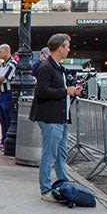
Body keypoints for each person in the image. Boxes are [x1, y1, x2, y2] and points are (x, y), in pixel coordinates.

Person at [32, 33, 82, 201]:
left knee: (60, 154)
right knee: (50, 154)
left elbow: (52, 92)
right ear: (60, 48)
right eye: (67, 46)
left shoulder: (57, 68)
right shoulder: (46, 68)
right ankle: (46, 189)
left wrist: (71, 93)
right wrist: (66, 91)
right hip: (51, 118)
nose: (69, 49)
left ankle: (63, 183)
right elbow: (42, 91)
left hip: (59, 117)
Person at [0, 44, 17, 149]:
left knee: (8, 118)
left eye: (0, 51)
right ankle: (3, 140)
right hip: (1, 94)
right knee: (2, 118)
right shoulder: (1, 65)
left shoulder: (12, 64)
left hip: (8, 94)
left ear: (7, 50)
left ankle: (7, 141)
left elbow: (3, 78)